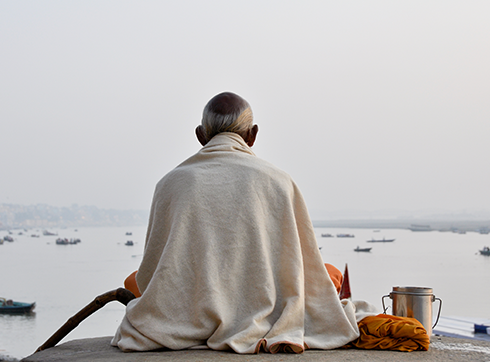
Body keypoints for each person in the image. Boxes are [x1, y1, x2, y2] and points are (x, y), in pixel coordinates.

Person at [111, 92, 376, 354]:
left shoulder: (170, 184)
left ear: (201, 135)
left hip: (184, 314)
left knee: (132, 281)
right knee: (329, 272)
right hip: (265, 310)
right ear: (252, 135)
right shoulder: (279, 181)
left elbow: (151, 272)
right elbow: (301, 266)